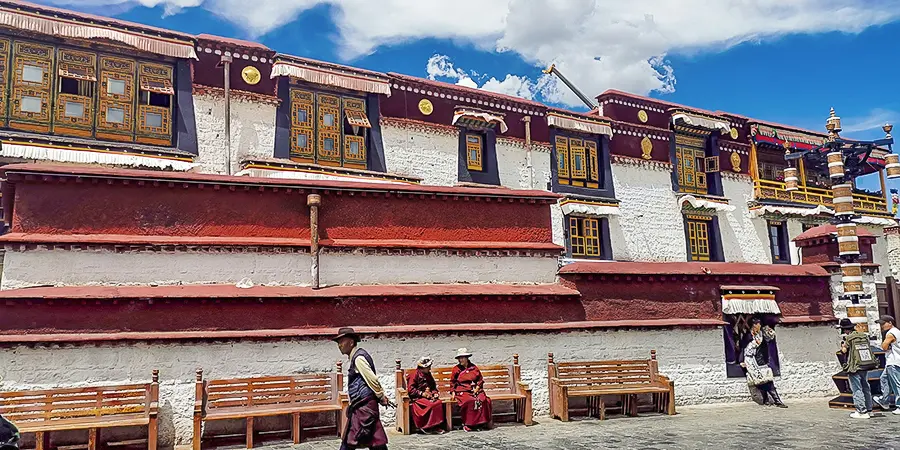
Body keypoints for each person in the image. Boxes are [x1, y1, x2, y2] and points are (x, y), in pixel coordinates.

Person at [334, 327, 389, 450]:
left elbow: (372, 379)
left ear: (351, 342)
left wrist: (381, 396)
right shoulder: (356, 357)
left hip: (364, 406)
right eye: (338, 342)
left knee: (351, 440)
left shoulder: (359, 358)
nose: (339, 345)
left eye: (342, 341)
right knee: (375, 440)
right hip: (362, 406)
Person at [739, 317, 786, 408]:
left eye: (759, 324)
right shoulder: (748, 336)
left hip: (760, 360)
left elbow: (769, 339)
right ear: (753, 325)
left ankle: (777, 400)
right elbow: (743, 348)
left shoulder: (762, 334)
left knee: (767, 379)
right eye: (757, 324)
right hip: (750, 360)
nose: (759, 325)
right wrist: (741, 360)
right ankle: (766, 399)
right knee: (758, 381)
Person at [839, 318, 877, 419]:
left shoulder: (849, 338)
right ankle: (870, 410)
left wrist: (843, 346)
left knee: (856, 388)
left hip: (854, 366)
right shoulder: (863, 335)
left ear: (845, 330)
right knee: (865, 387)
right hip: (864, 364)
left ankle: (861, 411)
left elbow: (844, 350)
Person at [450, 348, 492, 431]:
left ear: (467, 358)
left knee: (483, 400)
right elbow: (452, 382)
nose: (460, 360)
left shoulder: (474, 368)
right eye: (459, 358)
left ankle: (480, 423)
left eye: (462, 358)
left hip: (475, 389)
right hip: (462, 390)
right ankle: (468, 424)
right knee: (469, 401)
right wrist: (453, 392)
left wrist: (477, 388)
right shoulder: (456, 369)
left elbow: (480, 380)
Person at [405, 357, 446, 434]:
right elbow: (411, 390)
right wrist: (422, 394)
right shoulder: (414, 375)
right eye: (428, 367)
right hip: (417, 398)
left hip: (429, 396)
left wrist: (435, 393)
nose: (430, 368)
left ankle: (435, 426)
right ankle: (426, 426)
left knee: (438, 402)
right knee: (431, 405)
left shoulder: (428, 374)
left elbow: (433, 386)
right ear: (422, 368)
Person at [873, 315, 900, 415]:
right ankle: (884, 401)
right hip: (892, 361)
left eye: (883, 324)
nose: (882, 326)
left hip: (893, 361)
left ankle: (899, 405)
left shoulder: (891, 333)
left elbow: (884, 346)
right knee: (884, 379)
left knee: (896, 384)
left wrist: (885, 345)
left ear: (890, 323)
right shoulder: (897, 331)